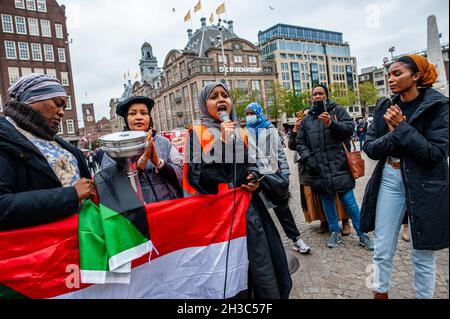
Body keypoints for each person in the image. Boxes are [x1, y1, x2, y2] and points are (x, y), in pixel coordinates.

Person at [184, 82, 292, 299]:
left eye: (225, 95)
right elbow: (198, 178)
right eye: (213, 97)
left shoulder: (240, 133)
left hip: (248, 212)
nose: (221, 99)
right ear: (204, 106)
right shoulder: (196, 133)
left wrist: (254, 180)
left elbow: (249, 165)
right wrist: (221, 142)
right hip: (217, 218)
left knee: (261, 266)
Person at [360, 54, 448, 299]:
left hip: (426, 182)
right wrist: (394, 135)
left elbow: (435, 153)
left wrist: (401, 127)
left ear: (417, 76)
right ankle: (380, 293)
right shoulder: (384, 106)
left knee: (423, 253)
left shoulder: (438, 106)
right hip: (390, 178)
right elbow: (370, 148)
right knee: (382, 247)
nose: (390, 79)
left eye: (397, 73)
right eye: (389, 74)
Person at [0, 74, 94, 230]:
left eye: (64, 107)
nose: (62, 112)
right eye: (57, 104)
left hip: (79, 240)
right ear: (32, 99)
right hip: (42, 248)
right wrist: (70, 195)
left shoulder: (55, 141)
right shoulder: (5, 137)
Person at [296, 84, 374, 250]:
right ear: (311, 97)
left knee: (349, 201)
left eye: (321, 93)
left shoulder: (337, 110)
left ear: (326, 95)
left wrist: (331, 123)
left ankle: (363, 234)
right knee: (327, 201)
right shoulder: (308, 118)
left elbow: (349, 130)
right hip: (318, 168)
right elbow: (300, 142)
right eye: (315, 94)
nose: (317, 96)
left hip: (339, 165)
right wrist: (309, 159)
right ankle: (334, 232)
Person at [245, 102, 310, 254]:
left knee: (282, 209)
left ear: (258, 113)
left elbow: (280, 153)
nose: (249, 117)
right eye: (247, 114)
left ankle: (296, 239)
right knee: (259, 214)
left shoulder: (269, 129)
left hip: (272, 175)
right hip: (255, 178)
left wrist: (285, 174)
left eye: (251, 113)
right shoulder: (245, 131)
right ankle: (265, 247)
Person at [101, 96, 183, 203]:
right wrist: (139, 165)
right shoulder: (114, 148)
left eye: (143, 113)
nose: (139, 117)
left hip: (168, 208)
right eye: (133, 113)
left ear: (149, 118)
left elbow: (184, 173)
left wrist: (159, 163)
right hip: (135, 213)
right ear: (126, 119)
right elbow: (108, 183)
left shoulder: (164, 143)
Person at [289, 109, 349, 235]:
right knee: (318, 197)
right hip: (308, 167)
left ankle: (345, 221)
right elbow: (292, 145)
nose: (305, 117)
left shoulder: (321, 123)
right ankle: (324, 221)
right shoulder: (302, 128)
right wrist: (295, 129)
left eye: (307, 115)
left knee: (338, 195)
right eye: (303, 116)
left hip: (327, 165)